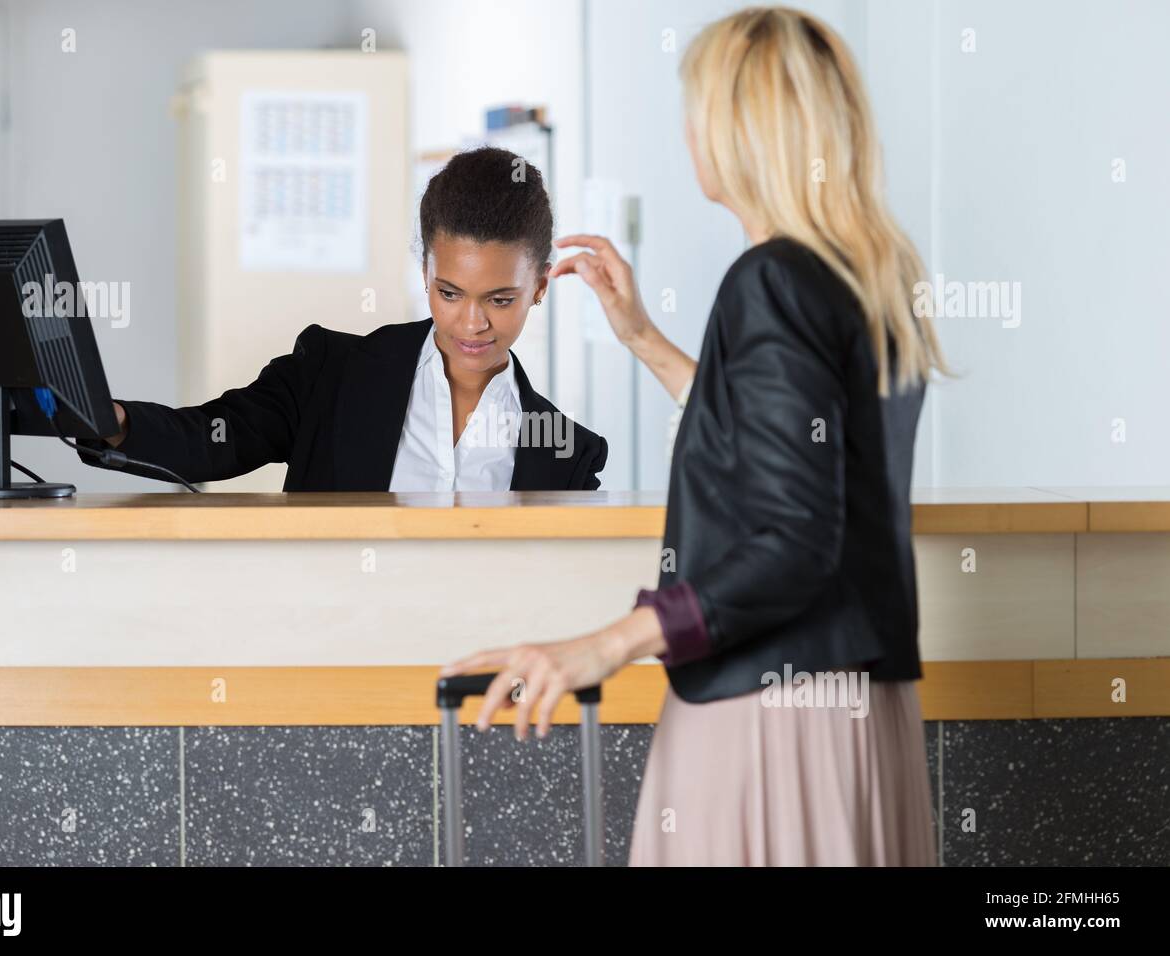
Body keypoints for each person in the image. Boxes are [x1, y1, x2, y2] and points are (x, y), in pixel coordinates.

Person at [442, 6, 949, 866]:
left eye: (697, 108)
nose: (687, 131)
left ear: (737, 129)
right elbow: (783, 443)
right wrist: (643, 338)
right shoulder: (867, 276)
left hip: (768, 717)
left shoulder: (771, 281)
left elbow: (793, 540)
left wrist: (607, 645)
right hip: (856, 713)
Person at [80, 146, 607, 492]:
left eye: (499, 300)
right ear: (424, 271)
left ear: (539, 286)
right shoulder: (330, 374)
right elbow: (212, 438)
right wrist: (115, 422)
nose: (471, 324)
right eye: (449, 293)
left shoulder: (568, 454)